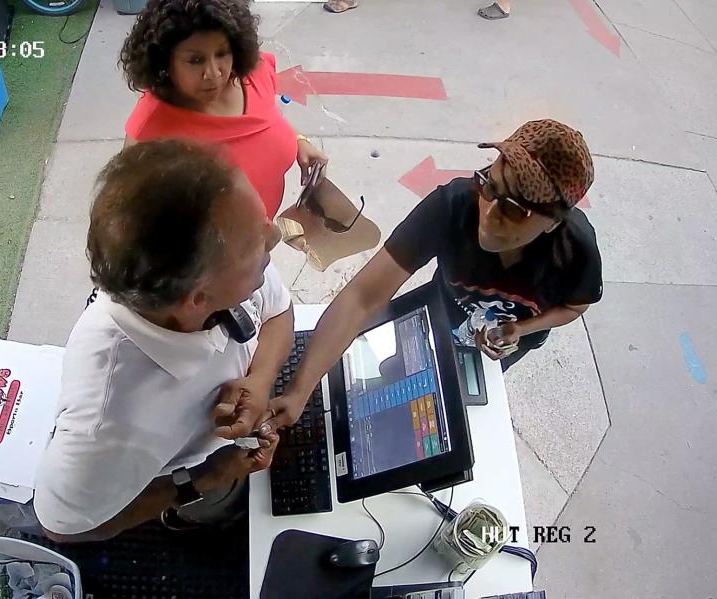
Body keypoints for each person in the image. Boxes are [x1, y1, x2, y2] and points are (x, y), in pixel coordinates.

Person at [258, 119, 602, 435]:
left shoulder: (576, 251)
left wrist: (521, 330)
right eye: (489, 184)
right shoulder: (452, 206)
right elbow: (362, 298)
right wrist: (300, 389)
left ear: (554, 222)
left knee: (461, 407)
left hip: (505, 345)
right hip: (438, 319)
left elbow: (575, 307)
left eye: (515, 208)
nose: (489, 212)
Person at [34, 139, 292, 542]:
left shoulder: (218, 273)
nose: (273, 235)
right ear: (198, 300)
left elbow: (278, 311)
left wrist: (259, 382)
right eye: (254, 242)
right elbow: (62, 528)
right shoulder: (105, 422)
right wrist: (204, 479)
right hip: (192, 478)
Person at [120, 0, 328, 220]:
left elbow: (268, 116)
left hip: (264, 240)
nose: (213, 73)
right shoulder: (151, 126)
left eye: (221, 54)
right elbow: (126, 214)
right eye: (195, 60)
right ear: (165, 61)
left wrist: (298, 140)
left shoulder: (256, 75)